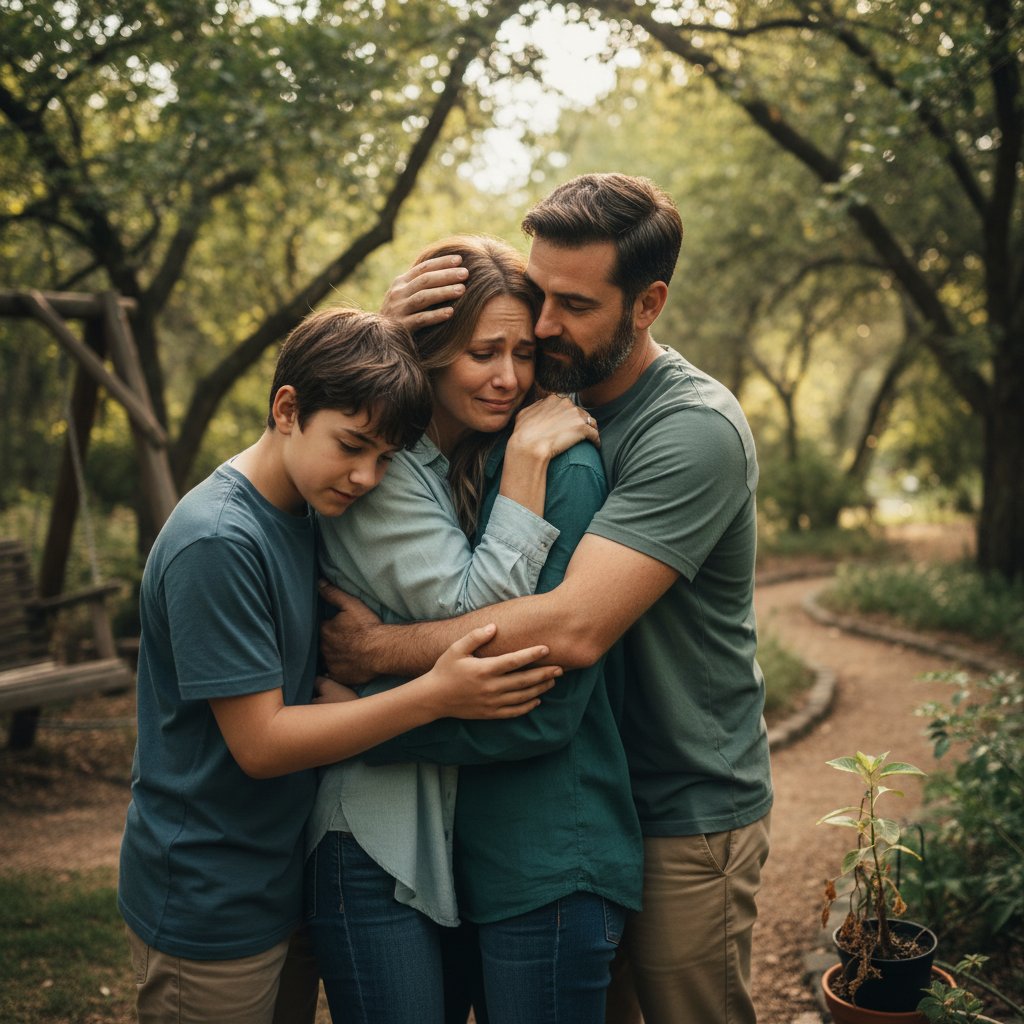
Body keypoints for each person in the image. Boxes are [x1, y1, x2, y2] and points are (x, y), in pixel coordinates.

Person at [320, 174, 774, 1024]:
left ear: (648, 305)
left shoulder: (691, 429)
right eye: (541, 294)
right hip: (580, 793)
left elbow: (571, 630)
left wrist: (374, 655)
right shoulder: (535, 392)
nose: (543, 325)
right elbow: (423, 382)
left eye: (573, 303)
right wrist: (388, 331)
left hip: (684, 801)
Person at [117, 308, 563, 1024]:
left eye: (385, 458)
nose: (365, 477)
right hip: (209, 896)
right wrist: (436, 693)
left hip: (274, 878)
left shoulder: (296, 508)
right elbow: (261, 744)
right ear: (287, 409)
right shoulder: (220, 542)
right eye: (352, 446)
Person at [307, 235, 643, 1024]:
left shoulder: (467, 461)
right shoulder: (384, 470)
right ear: (429, 355)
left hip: (451, 833)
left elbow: (532, 665)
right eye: (481, 352)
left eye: (523, 352)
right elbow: (475, 615)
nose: (509, 377)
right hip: (374, 828)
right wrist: (527, 461)